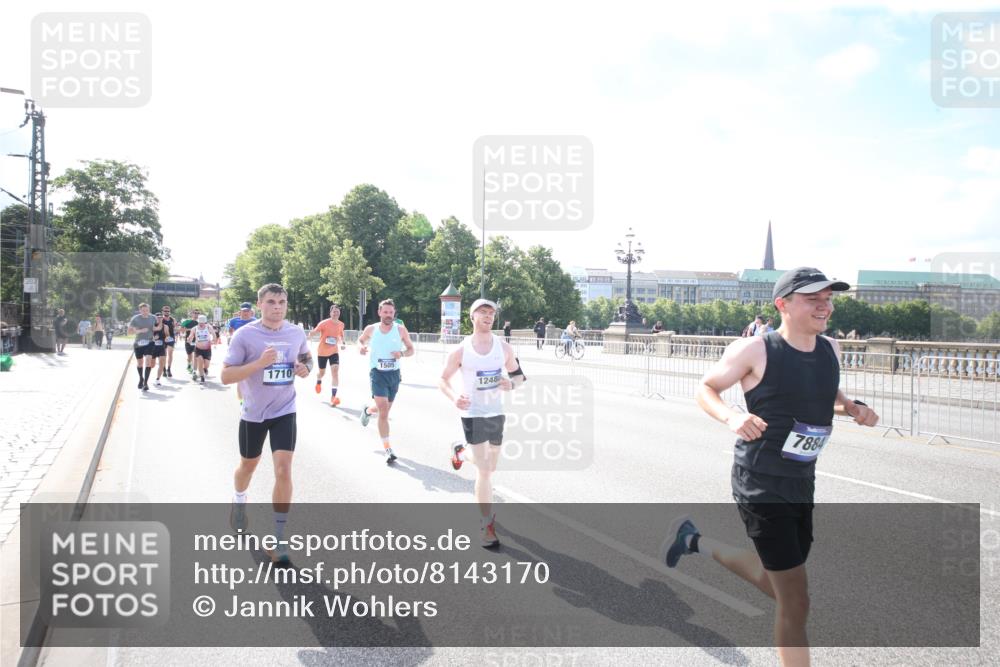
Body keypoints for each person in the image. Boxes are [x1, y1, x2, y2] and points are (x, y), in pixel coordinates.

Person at [662, 267, 880, 667]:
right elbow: (705, 388)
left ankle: (693, 540)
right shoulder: (756, 350)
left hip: (801, 480)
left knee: (776, 582)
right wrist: (731, 417)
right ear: (783, 304)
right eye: (813, 298)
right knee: (795, 601)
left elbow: (818, 391)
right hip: (760, 481)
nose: (824, 305)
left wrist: (850, 406)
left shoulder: (831, 349)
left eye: (828, 298)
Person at [222, 283, 311, 565]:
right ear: (260, 305)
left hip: (285, 409)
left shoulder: (296, 332)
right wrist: (259, 363)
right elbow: (226, 376)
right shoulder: (245, 335)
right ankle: (239, 501)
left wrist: (304, 368)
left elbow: (307, 356)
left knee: (284, 469)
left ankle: (279, 537)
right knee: (248, 466)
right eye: (271, 302)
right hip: (253, 413)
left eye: (282, 302)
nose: (277, 307)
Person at [439, 298, 526, 547]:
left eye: (491, 313)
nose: (488, 316)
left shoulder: (504, 348)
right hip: (473, 414)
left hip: (495, 413)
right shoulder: (461, 350)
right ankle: (486, 524)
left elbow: (519, 376)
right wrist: (455, 397)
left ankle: (461, 451)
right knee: (485, 470)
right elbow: (443, 380)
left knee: (491, 466)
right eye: (483, 312)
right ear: (472, 317)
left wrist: (512, 384)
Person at [357, 299, 415, 464]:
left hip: (394, 375)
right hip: (377, 373)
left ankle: (368, 411)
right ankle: (388, 449)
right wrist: (360, 347)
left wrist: (402, 354)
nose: (389, 315)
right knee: (384, 412)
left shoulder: (401, 330)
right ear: (379, 312)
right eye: (385, 312)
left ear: (394, 313)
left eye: (391, 312)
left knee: (383, 410)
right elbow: (360, 340)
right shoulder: (372, 329)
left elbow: (411, 349)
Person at [308, 304, 346, 406]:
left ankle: (333, 397)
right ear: (330, 313)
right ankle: (319, 380)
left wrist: (343, 343)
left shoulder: (341, 324)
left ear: (339, 313)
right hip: (322, 352)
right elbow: (315, 331)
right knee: (322, 373)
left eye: (337, 312)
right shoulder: (324, 323)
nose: (336, 313)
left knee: (335, 372)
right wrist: (311, 334)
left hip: (334, 351)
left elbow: (341, 335)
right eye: (334, 312)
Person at [128, 303, 158, 391]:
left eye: (147, 310)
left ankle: (146, 383)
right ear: (140, 310)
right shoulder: (135, 319)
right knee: (140, 363)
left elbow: (156, 328)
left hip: (150, 342)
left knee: (148, 361)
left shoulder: (153, 318)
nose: (145, 312)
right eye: (143, 310)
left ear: (149, 310)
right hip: (138, 343)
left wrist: (157, 335)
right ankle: (141, 378)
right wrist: (140, 331)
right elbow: (129, 332)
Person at [187, 315, 216, 383]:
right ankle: (202, 377)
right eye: (200, 323)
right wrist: (189, 339)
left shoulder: (208, 327)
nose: (201, 324)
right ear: (198, 322)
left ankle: (205, 369)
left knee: (206, 365)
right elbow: (190, 336)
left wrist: (213, 341)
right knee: (200, 362)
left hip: (207, 349)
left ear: (205, 322)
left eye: (203, 323)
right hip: (198, 349)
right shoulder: (194, 328)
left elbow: (214, 335)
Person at [160, 306, 177, 377]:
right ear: (162, 311)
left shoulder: (173, 319)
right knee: (164, 355)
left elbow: (175, 328)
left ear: (169, 312)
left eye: (168, 311)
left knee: (170, 354)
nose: (166, 312)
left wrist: (176, 336)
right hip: (162, 338)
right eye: (165, 311)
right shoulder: (160, 319)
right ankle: (163, 369)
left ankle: (169, 369)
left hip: (171, 338)